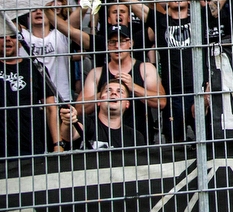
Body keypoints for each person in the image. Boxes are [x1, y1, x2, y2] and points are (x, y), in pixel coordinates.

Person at [78, 24, 166, 141]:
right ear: (107, 46)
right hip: (105, 138)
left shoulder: (145, 68)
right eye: (113, 42)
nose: (117, 46)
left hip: (139, 135)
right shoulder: (97, 73)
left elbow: (161, 102)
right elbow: (79, 109)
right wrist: (105, 93)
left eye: (122, 41)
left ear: (131, 43)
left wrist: (133, 87)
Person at [0, 30, 60, 158]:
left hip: (30, 143)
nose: (7, 39)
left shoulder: (36, 67)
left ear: (21, 42)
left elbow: (51, 108)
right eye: (2, 36)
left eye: (13, 36)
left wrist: (57, 144)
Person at [59, 80, 146, 150]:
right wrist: (68, 122)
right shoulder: (87, 122)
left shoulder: (135, 137)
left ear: (127, 104)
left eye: (120, 92)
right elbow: (69, 135)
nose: (114, 93)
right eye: (108, 90)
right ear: (99, 101)